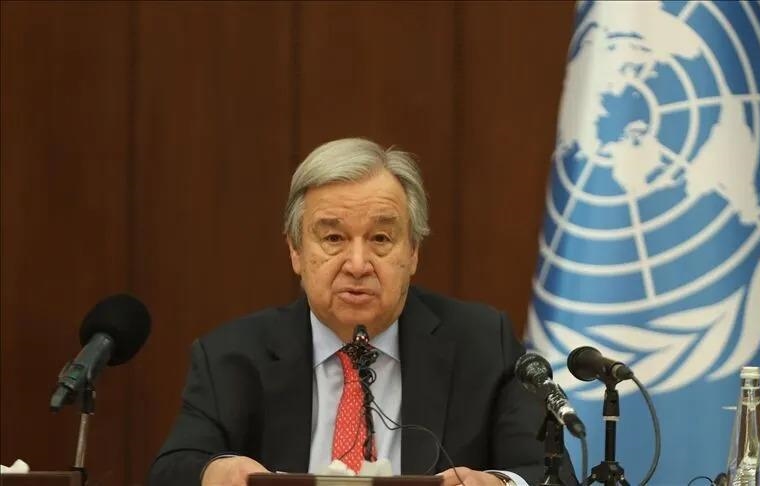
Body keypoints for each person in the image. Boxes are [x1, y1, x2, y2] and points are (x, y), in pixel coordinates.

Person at [149, 138, 577, 486]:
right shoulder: (232, 356)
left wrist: (499, 484)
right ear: (296, 251)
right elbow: (172, 469)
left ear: (413, 252)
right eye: (333, 239)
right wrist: (214, 472)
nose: (357, 264)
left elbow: (550, 475)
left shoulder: (481, 344)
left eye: (380, 239)